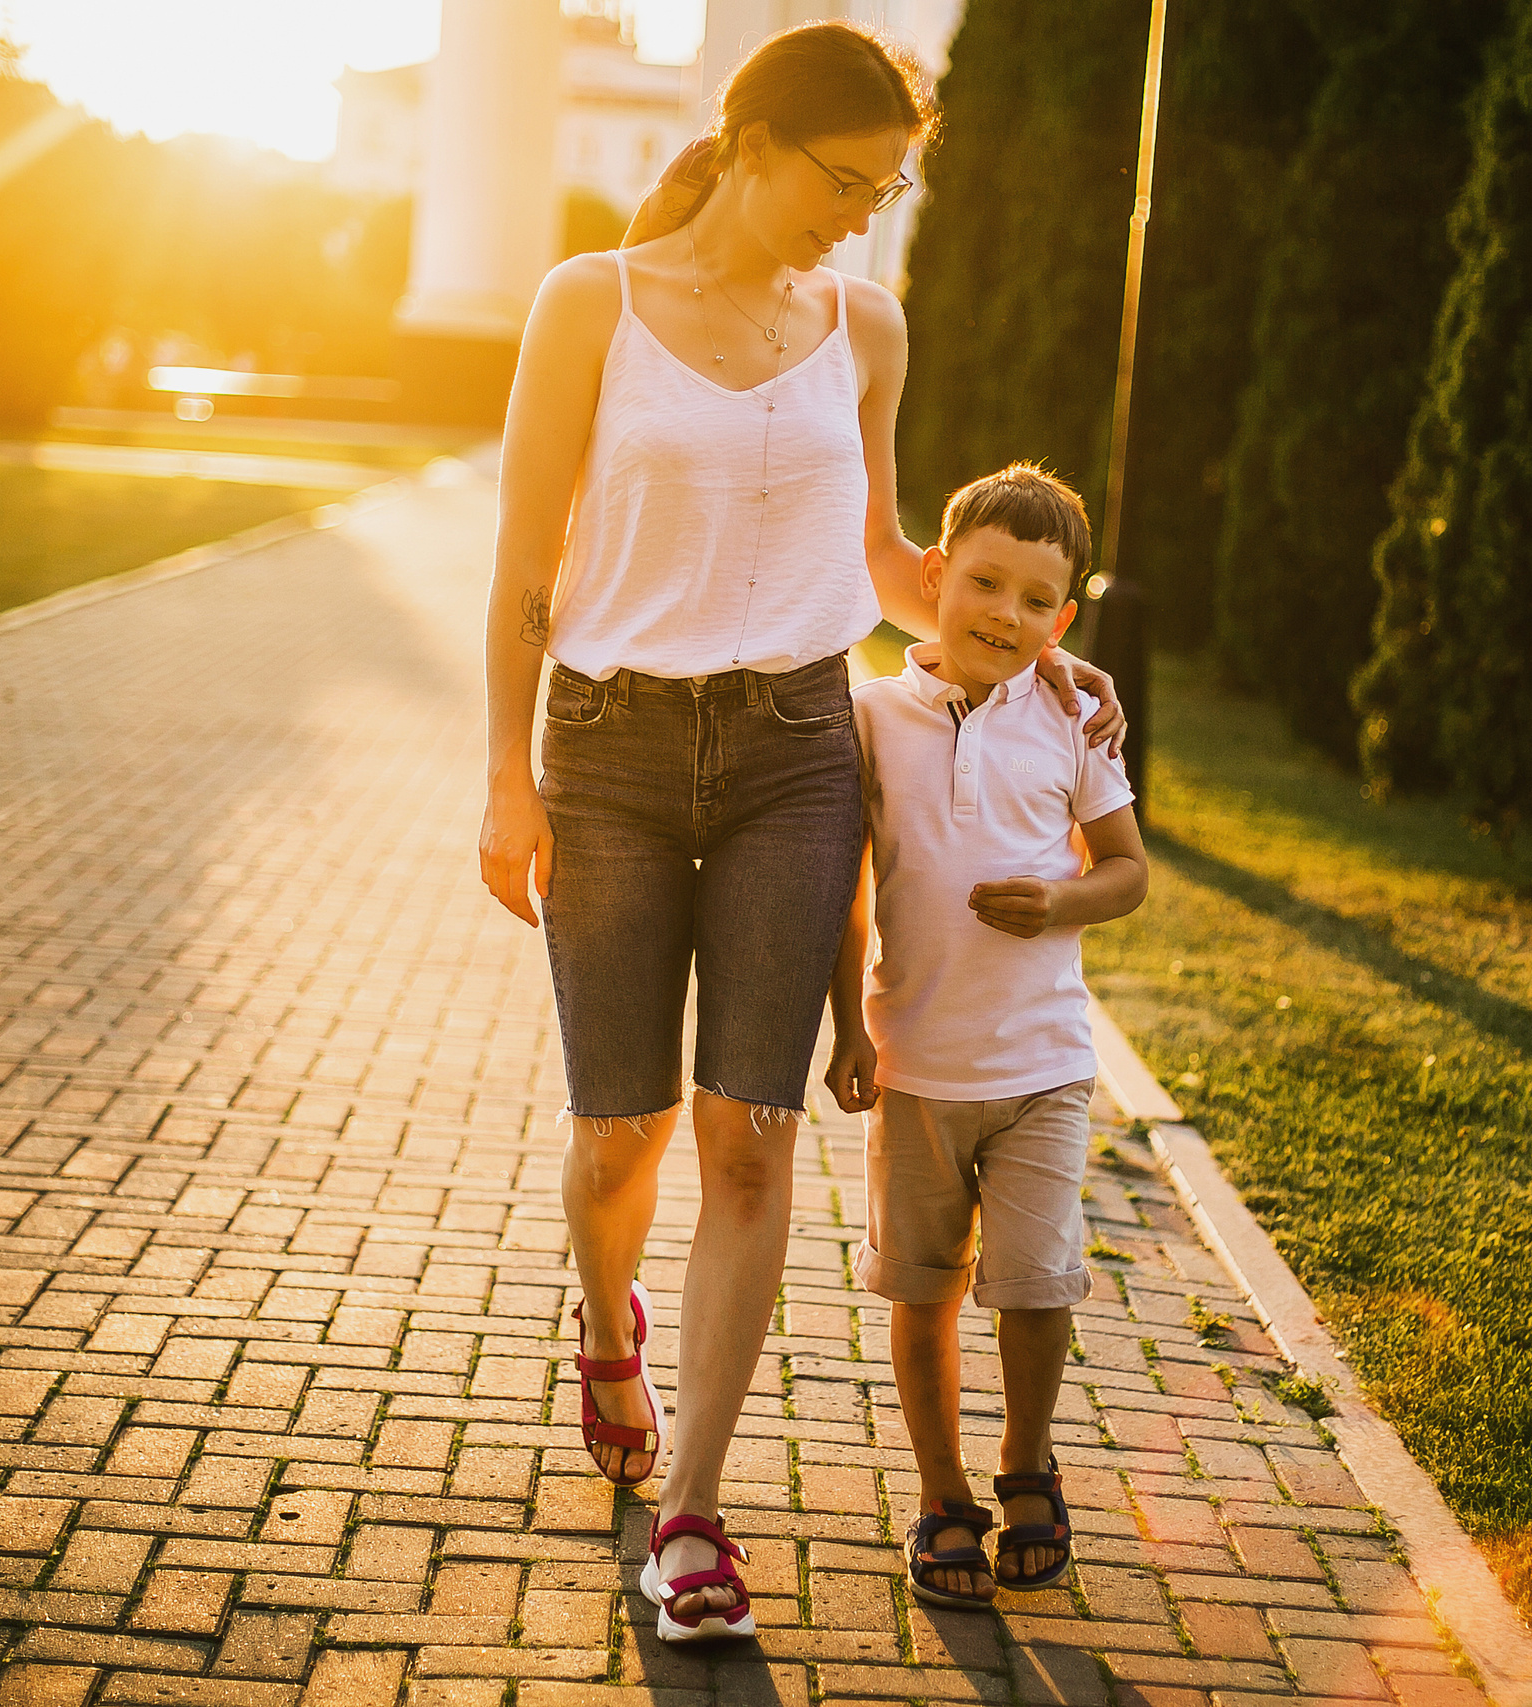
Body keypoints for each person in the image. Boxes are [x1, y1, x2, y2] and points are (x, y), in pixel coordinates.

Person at [477, 24, 1124, 1646]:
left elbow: (889, 556)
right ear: (752, 142)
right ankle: (606, 1321)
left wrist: (1030, 637)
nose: (862, 213)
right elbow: (524, 566)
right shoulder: (588, 304)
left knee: (747, 1130)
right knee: (618, 1133)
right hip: (614, 752)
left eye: (884, 188)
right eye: (845, 181)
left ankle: (690, 1510)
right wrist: (507, 770)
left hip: (793, 752)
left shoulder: (866, 324)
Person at [823, 464, 1149, 1608]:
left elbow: (1126, 873)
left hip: (1044, 1066)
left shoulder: (1071, 714)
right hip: (913, 1060)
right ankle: (941, 1492)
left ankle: (1024, 1465)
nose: (1003, 614)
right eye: (983, 583)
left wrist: (1061, 901)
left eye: (1032, 600)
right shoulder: (870, 716)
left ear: (1063, 620)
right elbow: (841, 885)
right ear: (934, 577)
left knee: (1032, 1283)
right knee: (920, 1288)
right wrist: (846, 1028)